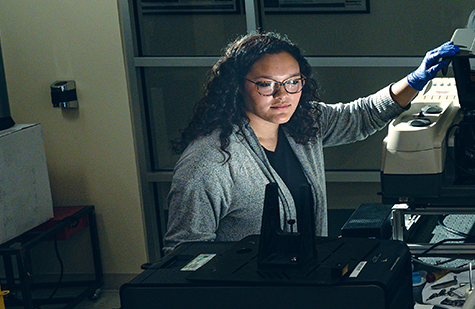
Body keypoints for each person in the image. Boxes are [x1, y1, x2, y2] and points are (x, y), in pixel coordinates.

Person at [164, 30, 458, 252]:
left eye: (293, 82)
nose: (283, 96)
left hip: (301, 286)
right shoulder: (209, 161)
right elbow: (185, 255)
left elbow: (361, 115)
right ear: (236, 87)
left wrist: (416, 80)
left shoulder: (301, 123)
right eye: (266, 85)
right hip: (245, 303)